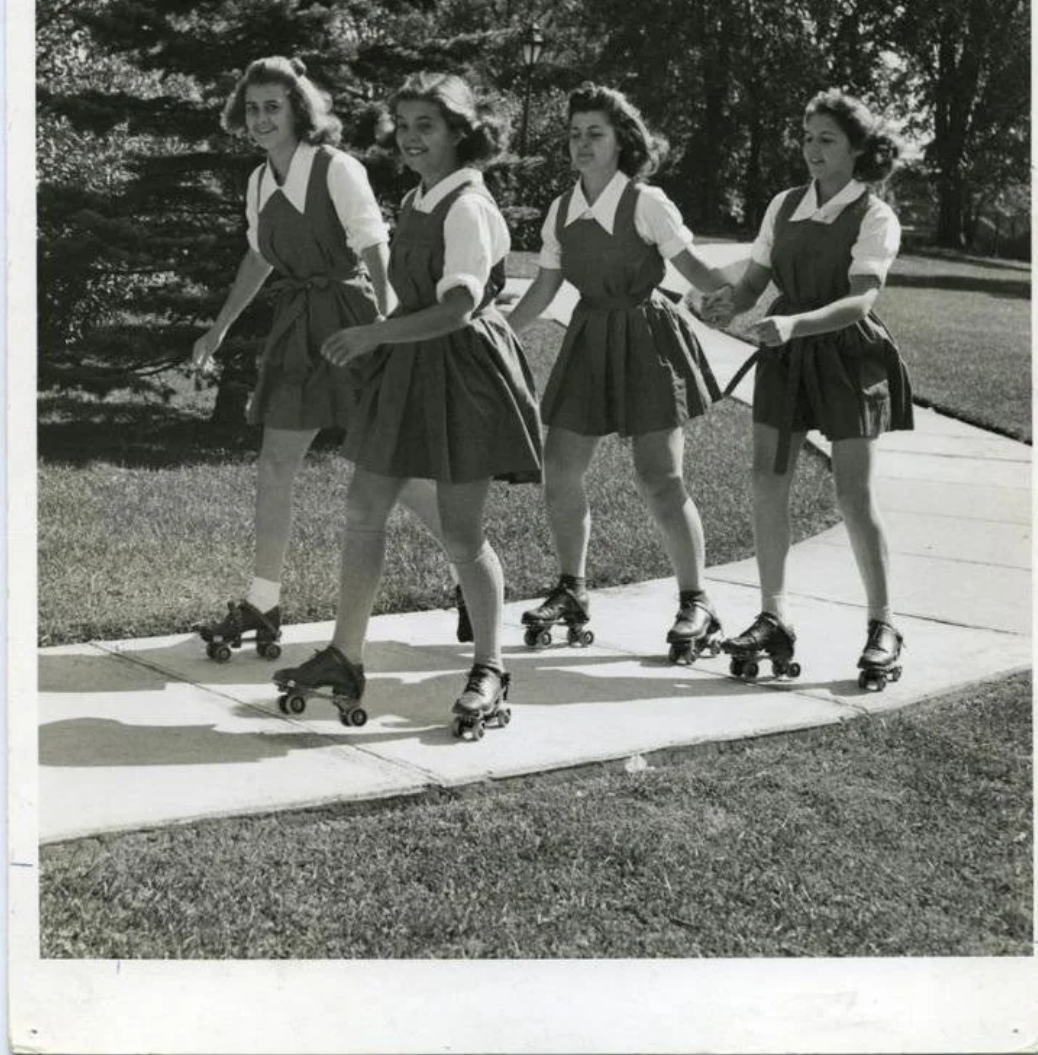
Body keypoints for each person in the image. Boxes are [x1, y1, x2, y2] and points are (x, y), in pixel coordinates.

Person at [272, 72, 542, 737]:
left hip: (465, 374)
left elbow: (457, 308)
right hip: (412, 366)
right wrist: (382, 340)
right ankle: (346, 656)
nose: (412, 138)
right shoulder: (420, 197)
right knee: (364, 506)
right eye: (405, 125)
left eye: (428, 125)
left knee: (461, 530)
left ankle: (490, 667)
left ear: (459, 132)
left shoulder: (468, 206)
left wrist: (373, 334)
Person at [191, 56, 450, 658]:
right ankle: (263, 603)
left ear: (299, 111)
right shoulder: (259, 181)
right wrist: (218, 329)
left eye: (273, 107)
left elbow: (375, 246)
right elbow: (259, 256)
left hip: (353, 322)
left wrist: (386, 328)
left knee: (392, 468)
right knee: (275, 463)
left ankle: (471, 569)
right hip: (297, 326)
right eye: (252, 108)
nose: (261, 119)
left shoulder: (336, 167)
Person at [505, 82, 731, 664]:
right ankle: (572, 590)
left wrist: (754, 296)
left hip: (647, 340)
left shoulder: (647, 202)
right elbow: (545, 289)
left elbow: (697, 271)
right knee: (559, 468)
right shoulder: (562, 210)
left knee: (660, 478)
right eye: (575, 134)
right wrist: (498, 332)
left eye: (595, 134)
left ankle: (697, 601)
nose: (582, 144)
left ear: (620, 141)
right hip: (589, 338)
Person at [702, 87, 913, 690]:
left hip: (848, 354)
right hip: (787, 355)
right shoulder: (784, 204)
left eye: (827, 140)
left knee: (853, 495)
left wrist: (795, 324)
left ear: (857, 150)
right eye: (806, 137)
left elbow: (860, 301)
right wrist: (728, 304)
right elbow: (754, 283)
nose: (812, 149)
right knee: (766, 480)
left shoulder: (875, 215)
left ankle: (883, 625)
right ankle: (774, 617)